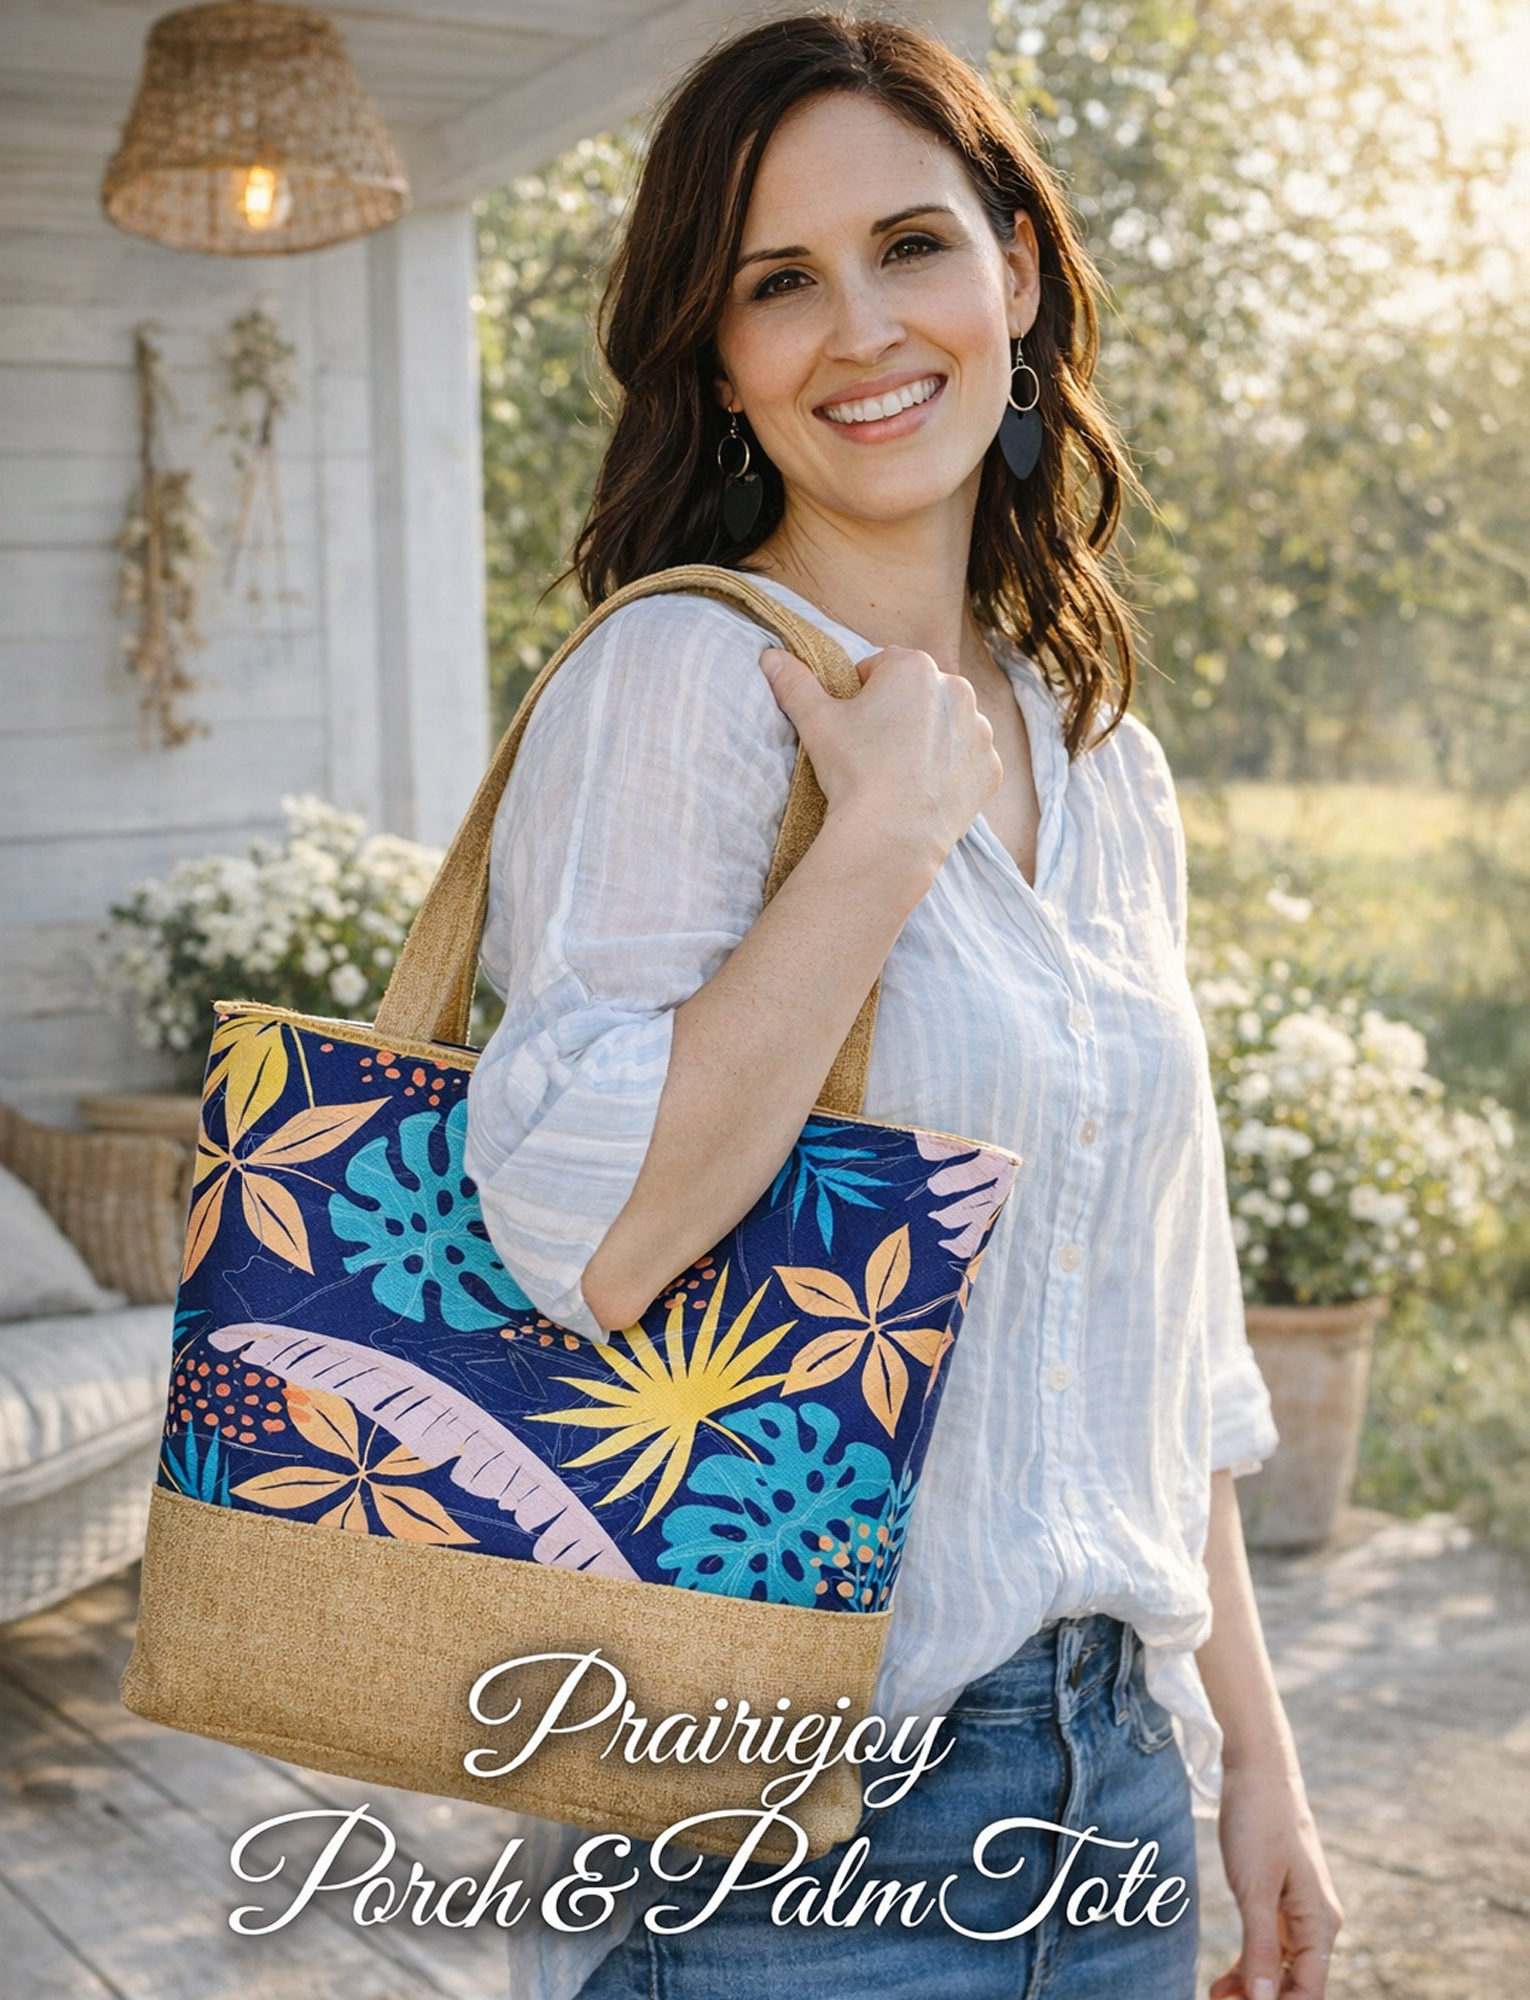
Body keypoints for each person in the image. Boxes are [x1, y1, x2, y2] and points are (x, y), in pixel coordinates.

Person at [462, 13, 1342, 1999]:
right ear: (718, 357)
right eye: (779, 282)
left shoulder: (1101, 758)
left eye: (911, 247)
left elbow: (1165, 1333)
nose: (861, 328)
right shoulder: (679, 684)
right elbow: (586, 1241)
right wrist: (874, 840)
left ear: (1013, 272)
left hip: (1112, 1803)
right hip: (777, 1834)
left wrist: (1255, 1768)